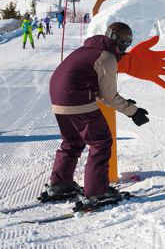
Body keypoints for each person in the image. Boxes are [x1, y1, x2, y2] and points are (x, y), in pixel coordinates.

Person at [42, 22, 150, 208]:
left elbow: (98, 88)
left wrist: (126, 104)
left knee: (73, 141)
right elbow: (109, 96)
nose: (126, 48)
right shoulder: (107, 56)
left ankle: (61, 184)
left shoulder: (89, 49)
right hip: (76, 97)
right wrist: (133, 112)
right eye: (127, 43)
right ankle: (97, 191)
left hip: (58, 97)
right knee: (101, 141)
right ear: (122, 42)